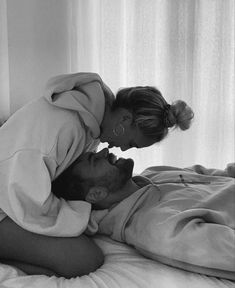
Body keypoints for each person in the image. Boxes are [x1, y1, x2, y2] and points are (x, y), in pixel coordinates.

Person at [0, 72, 193, 278]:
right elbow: (27, 201)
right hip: (8, 204)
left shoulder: (91, 122)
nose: (124, 150)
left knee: (86, 255)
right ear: (126, 119)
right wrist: (83, 216)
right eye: (131, 143)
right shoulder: (63, 127)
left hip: (15, 198)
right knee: (83, 260)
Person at [52, 148, 235, 280]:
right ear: (96, 194)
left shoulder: (154, 174)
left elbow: (220, 175)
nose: (105, 151)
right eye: (95, 160)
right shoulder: (156, 226)